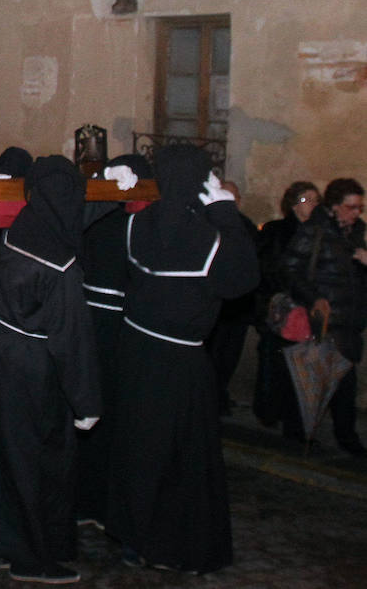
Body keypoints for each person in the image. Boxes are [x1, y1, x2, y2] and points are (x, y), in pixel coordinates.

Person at [107, 146, 258, 573]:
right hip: (178, 359)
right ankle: (169, 544)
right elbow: (244, 279)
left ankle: (133, 538)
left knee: (138, 447)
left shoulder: (137, 223)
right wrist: (227, 215)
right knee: (179, 457)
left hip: (135, 350)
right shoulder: (209, 239)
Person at [0, 156, 100, 585]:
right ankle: (31, 557)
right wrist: (86, 401)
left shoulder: (22, 228)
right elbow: (71, 338)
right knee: (34, 465)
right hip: (28, 368)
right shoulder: (60, 263)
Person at [75, 152, 152, 529]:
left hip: (112, 324)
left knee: (104, 414)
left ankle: (94, 501)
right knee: (102, 414)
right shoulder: (119, 220)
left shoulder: (118, 218)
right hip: (108, 324)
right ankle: (96, 501)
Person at [278, 177, 367, 454]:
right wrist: (314, 298)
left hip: (349, 323)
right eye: (351, 207)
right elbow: (289, 269)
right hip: (322, 322)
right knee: (309, 380)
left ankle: (345, 437)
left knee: (344, 383)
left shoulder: (356, 233)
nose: (357, 213)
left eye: (360, 207)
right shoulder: (314, 231)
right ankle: (300, 434)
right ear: (335, 207)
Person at [252, 181, 320, 429]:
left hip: (307, 310)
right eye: (307, 199)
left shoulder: (319, 235)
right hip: (279, 308)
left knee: (302, 365)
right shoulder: (276, 231)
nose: (312, 204)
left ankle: (295, 417)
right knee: (274, 360)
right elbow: (268, 268)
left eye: (315, 200)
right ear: (293, 204)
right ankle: (269, 411)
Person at [205, 180, 260, 415]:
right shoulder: (206, 224)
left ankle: (220, 395)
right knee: (213, 358)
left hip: (237, 309)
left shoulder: (245, 227)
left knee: (229, 358)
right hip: (216, 308)